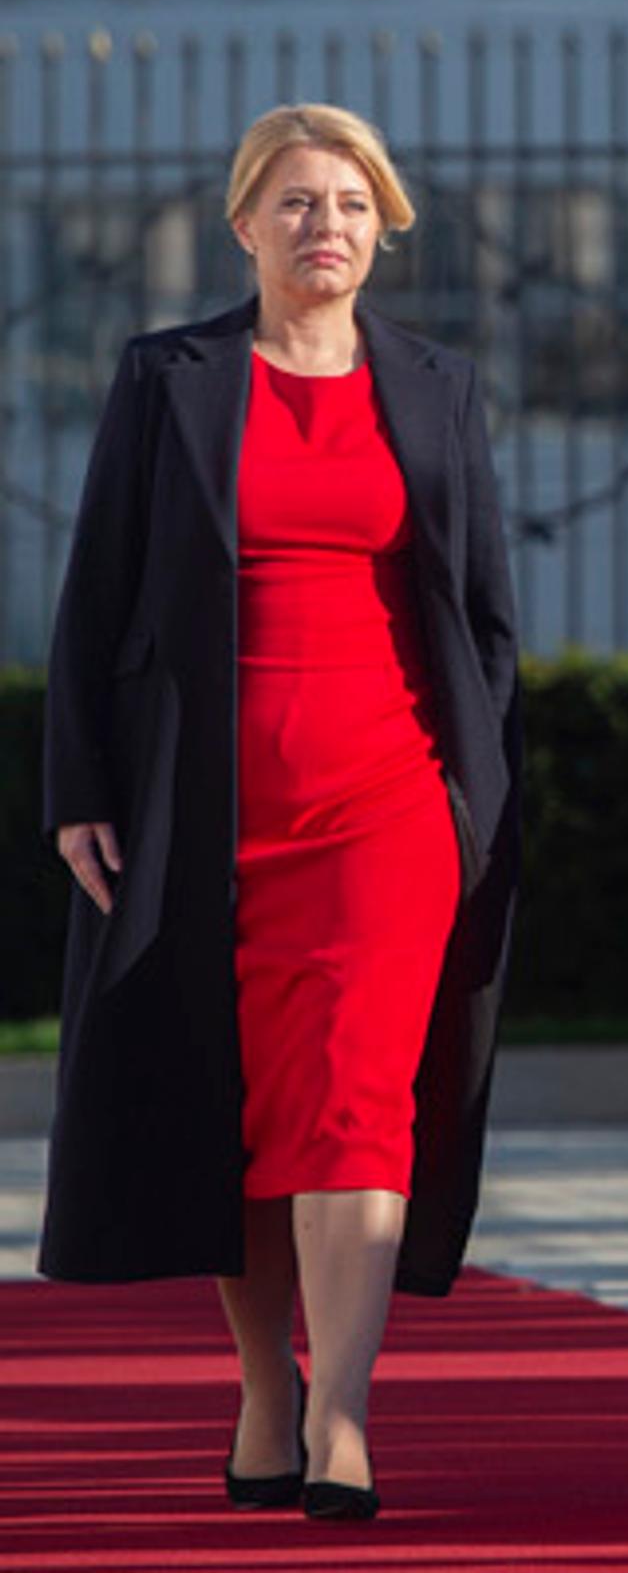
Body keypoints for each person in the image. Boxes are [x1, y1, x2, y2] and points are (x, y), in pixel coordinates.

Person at [42, 103, 522, 1523]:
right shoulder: (170, 379)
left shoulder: (437, 387)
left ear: (385, 230)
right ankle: (266, 1391)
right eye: (300, 203)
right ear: (244, 224)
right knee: (242, 1108)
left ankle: (342, 1413)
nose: (328, 227)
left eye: (354, 205)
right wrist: (82, 790)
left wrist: (474, 797)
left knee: (357, 1098)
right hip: (207, 806)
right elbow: (96, 597)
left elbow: (483, 614)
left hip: (387, 802)